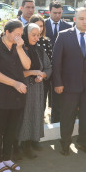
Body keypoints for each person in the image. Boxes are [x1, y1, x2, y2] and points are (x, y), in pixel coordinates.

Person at [52, 7, 86, 156]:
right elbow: (56, 62)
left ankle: (82, 142)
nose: (84, 21)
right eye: (81, 18)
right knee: (67, 116)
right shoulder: (63, 36)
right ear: (75, 19)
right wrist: (58, 82)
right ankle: (65, 143)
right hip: (69, 86)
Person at [0, 20, 31, 172]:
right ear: (7, 32)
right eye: (16, 34)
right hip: (1, 95)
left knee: (12, 129)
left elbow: (27, 65)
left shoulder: (19, 47)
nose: (19, 37)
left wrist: (20, 48)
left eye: (21, 34)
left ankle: (7, 157)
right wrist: (15, 84)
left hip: (17, 96)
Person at [19, 23, 52, 158]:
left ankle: (34, 140)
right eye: (33, 35)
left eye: (38, 35)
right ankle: (24, 145)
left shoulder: (39, 50)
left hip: (37, 89)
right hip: (24, 88)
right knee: (25, 116)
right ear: (25, 34)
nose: (36, 38)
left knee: (36, 114)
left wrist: (43, 75)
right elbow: (15, 70)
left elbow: (49, 67)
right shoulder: (20, 49)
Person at [44, 1, 71, 123]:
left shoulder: (68, 27)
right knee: (43, 93)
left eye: (60, 13)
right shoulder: (42, 25)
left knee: (57, 95)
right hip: (44, 66)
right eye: (55, 13)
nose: (57, 15)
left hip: (61, 67)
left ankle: (56, 119)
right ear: (50, 12)